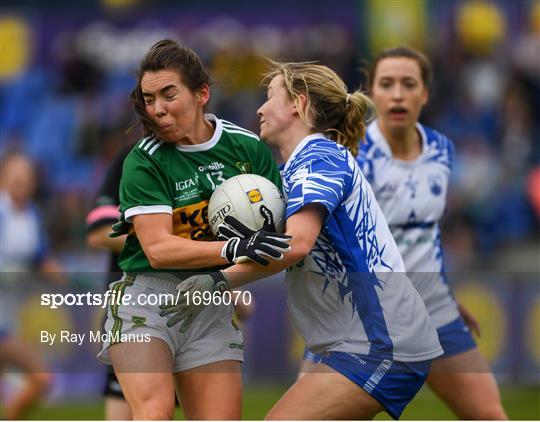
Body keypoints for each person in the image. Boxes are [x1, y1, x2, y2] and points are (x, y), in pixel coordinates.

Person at [161, 60, 444, 420]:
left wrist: (216, 282)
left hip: (380, 341)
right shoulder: (293, 170)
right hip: (352, 341)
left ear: (298, 103)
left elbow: (297, 244)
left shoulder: (317, 156)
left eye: (270, 96)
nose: (260, 108)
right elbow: (275, 248)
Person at [96, 39, 290, 420]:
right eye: (149, 99)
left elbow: (276, 246)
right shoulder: (143, 160)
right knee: (154, 412)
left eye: (168, 94)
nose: (157, 109)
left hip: (211, 302)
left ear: (202, 93)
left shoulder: (247, 149)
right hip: (145, 300)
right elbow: (158, 249)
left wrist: (225, 281)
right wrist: (232, 251)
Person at [355, 46, 507, 419]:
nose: (397, 94)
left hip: (432, 309)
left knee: (491, 415)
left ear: (424, 93)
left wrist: (444, 295)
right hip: (362, 318)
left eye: (409, 84)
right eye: (386, 84)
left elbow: (426, 234)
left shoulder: (441, 150)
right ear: (372, 93)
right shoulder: (354, 155)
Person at [0, 152, 58, 419]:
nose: (21, 181)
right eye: (15, 175)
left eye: (26, 176)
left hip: (10, 316)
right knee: (41, 378)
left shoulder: (31, 216)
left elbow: (39, 258)